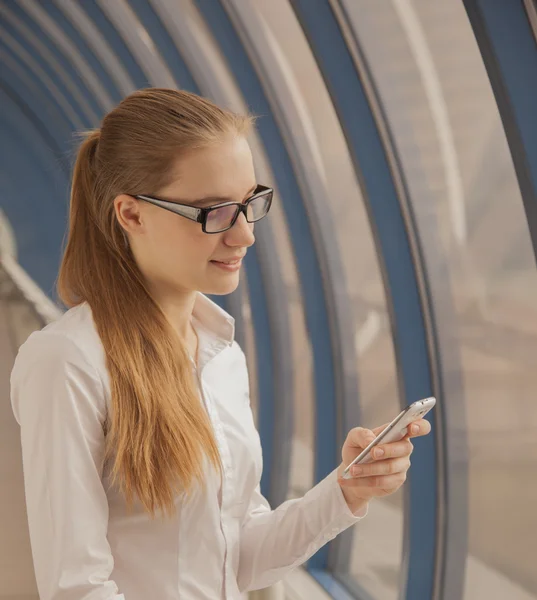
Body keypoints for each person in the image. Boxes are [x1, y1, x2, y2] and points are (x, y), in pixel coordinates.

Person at [10, 88, 431, 600]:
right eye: (214, 213)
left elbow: (240, 560)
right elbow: (76, 587)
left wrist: (346, 489)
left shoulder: (221, 355)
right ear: (132, 215)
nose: (245, 236)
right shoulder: (68, 361)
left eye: (251, 203)